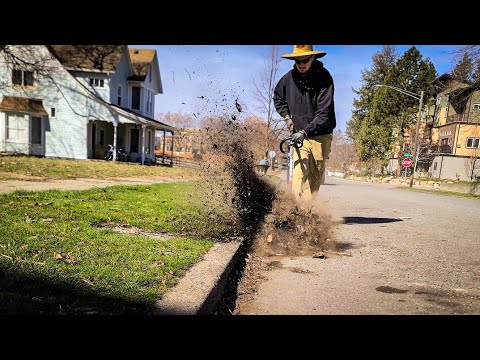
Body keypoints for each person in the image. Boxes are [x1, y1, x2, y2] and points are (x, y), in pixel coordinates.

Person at [273, 45, 336, 200]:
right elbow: (278, 98)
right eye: (297, 60)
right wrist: (287, 118)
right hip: (299, 137)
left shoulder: (324, 78)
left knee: (314, 179)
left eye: (305, 60)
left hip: (321, 135)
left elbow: (324, 113)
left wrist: (305, 132)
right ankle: (297, 213)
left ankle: (310, 210)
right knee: (299, 175)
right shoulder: (288, 78)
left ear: (312, 58)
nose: (301, 64)